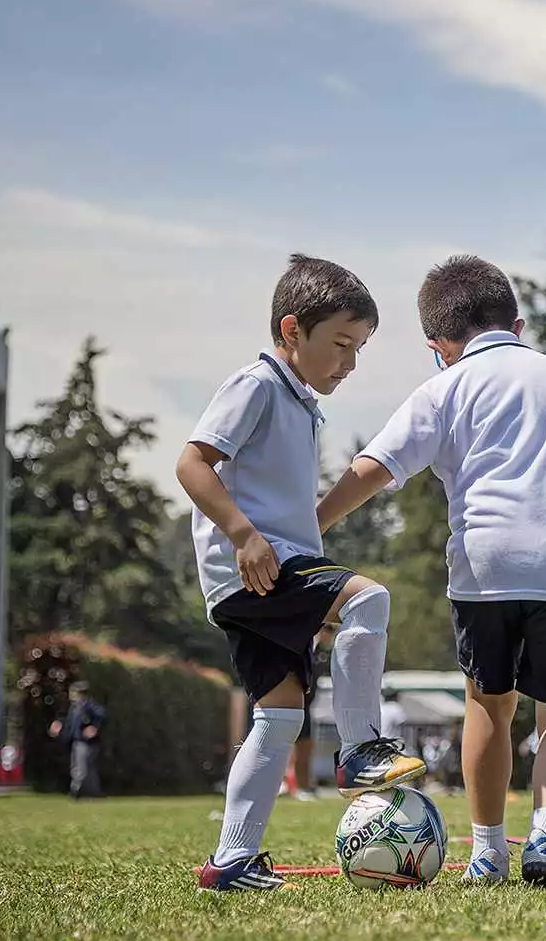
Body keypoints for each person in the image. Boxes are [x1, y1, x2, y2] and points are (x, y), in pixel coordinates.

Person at [317, 254, 546, 886]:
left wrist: (308, 528)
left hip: (484, 568)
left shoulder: (443, 387)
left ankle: (487, 852)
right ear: (516, 324)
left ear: (438, 345)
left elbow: (373, 468)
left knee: (488, 707)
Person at [179, 254, 425, 892]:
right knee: (368, 600)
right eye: (341, 344)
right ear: (292, 332)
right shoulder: (256, 384)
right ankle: (360, 752)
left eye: (359, 349)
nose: (348, 363)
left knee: (278, 716)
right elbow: (191, 464)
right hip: (258, 569)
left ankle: (231, 859)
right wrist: (244, 536)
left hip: (265, 572)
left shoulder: (301, 401)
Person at [49, 681, 106, 799]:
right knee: (87, 768)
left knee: (80, 767)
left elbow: (100, 714)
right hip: (76, 741)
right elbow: (69, 722)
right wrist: (59, 725)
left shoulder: (88, 706)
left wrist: (94, 726)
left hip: (85, 742)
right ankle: (95, 792)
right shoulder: (74, 708)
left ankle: (76, 791)